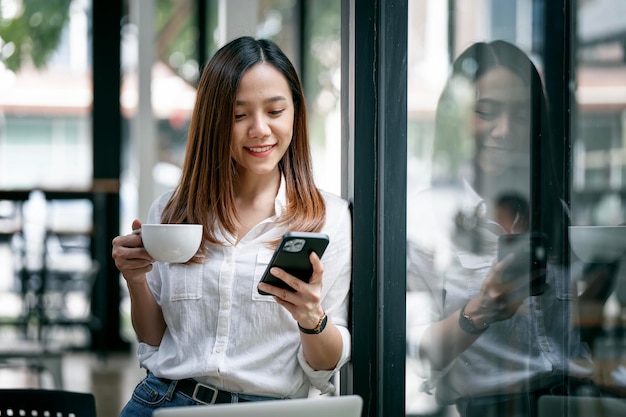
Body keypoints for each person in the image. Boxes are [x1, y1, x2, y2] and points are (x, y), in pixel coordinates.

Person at [112, 36, 352, 416]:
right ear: (214, 121)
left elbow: (326, 367)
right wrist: (135, 278)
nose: (259, 130)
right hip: (163, 402)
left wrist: (311, 319)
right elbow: (153, 337)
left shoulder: (329, 219)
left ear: (295, 114)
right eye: (239, 116)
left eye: (275, 111)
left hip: (269, 409)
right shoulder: (172, 211)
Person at [406, 40, 599, 417]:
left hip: (573, 403)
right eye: (486, 112)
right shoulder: (429, 215)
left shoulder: (553, 211)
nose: (504, 130)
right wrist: (480, 310)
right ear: (458, 117)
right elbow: (415, 350)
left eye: (521, 115)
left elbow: (572, 338)